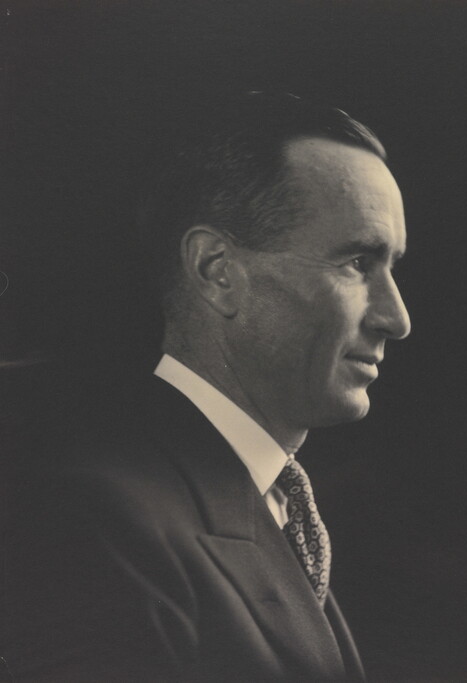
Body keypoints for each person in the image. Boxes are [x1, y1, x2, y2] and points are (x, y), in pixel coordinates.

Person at [1, 92, 410, 682]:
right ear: (217, 270)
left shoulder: (258, 501)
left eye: (393, 266)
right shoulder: (102, 523)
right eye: (357, 264)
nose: (396, 318)